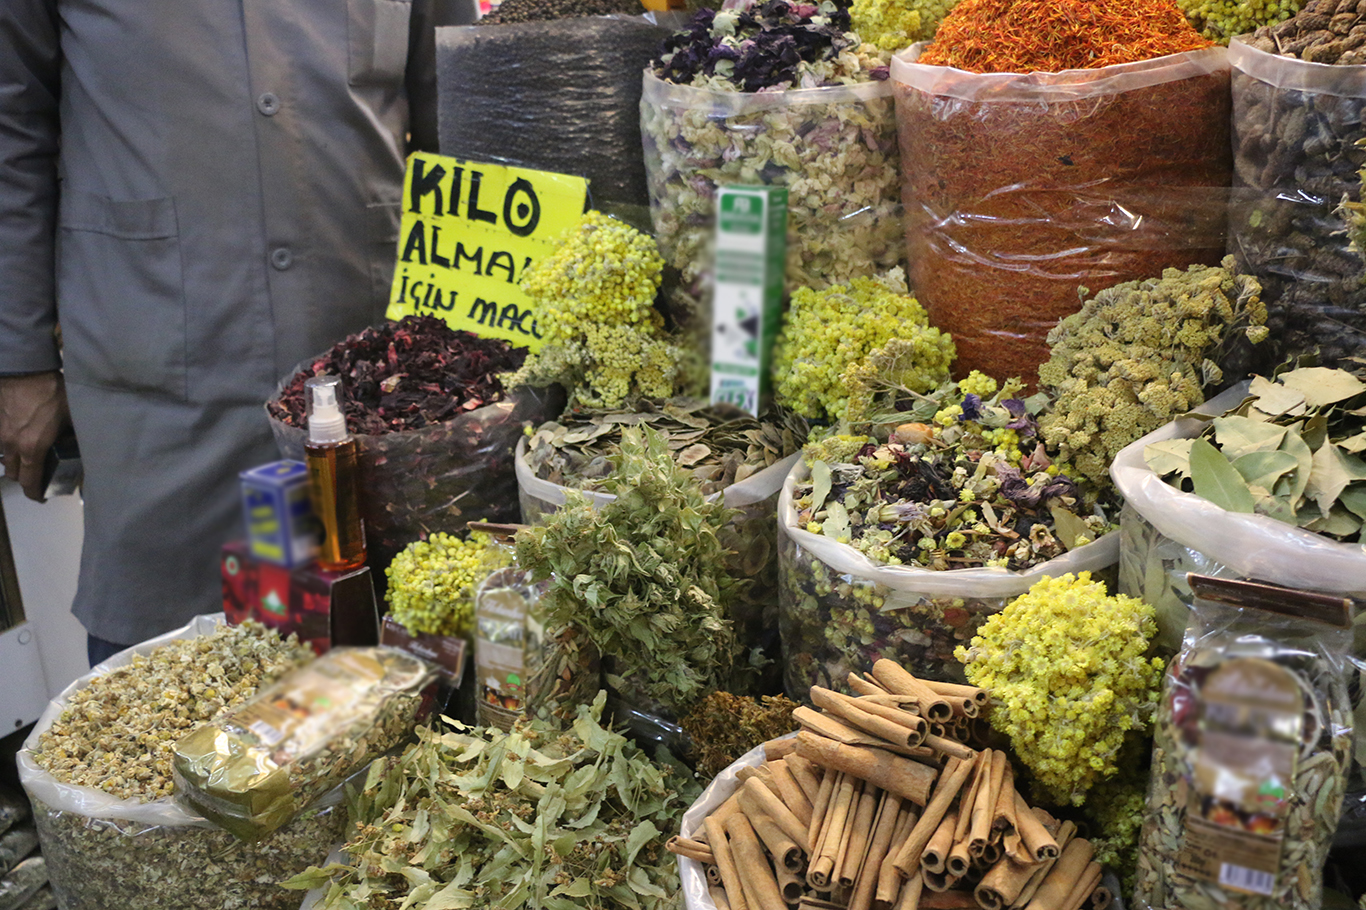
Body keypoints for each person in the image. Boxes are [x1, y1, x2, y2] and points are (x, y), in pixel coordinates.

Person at [0, 0, 439, 664]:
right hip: (167, 402)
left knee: (397, 700)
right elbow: (10, 128)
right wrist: (19, 357)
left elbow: (459, 105)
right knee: (167, 711)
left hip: (376, 394)